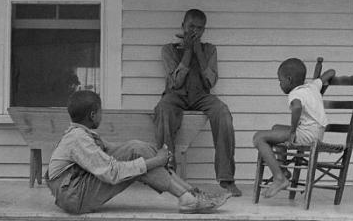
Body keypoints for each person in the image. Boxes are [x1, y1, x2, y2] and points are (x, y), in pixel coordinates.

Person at [46, 90, 231, 214]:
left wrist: (149, 153)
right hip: (73, 196)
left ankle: (190, 195)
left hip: (75, 190)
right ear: (93, 115)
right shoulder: (77, 139)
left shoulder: (82, 134)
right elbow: (112, 173)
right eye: (101, 111)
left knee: (137, 148)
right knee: (137, 156)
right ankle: (189, 198)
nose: (102, 115)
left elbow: (113, 150)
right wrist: (156, 161)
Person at [153, 9, 242, 197]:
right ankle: (168, 174)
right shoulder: (169, 49)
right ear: (182, 26)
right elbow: (175, 82)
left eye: (199, 28)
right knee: (163, 110)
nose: (194, 31)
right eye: (191, 26)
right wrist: (187, 52)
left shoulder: (210, 49)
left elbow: (210, 82)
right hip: (175, 95)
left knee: (223, 112)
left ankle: (227, 179)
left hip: (201, 95)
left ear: (204, 31)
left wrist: (198, 52)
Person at [252, 58, 335, 198]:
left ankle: (279, 178)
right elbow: (331, 72)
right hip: (317, 132)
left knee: (258, 138)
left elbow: (296, 107)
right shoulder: (312, 86)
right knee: (275, 128)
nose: (280, 84)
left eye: (280, 80)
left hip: (307, 135)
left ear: (289, 79)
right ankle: (283, 169)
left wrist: (292, 133)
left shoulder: (295, 94)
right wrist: (320, 88)